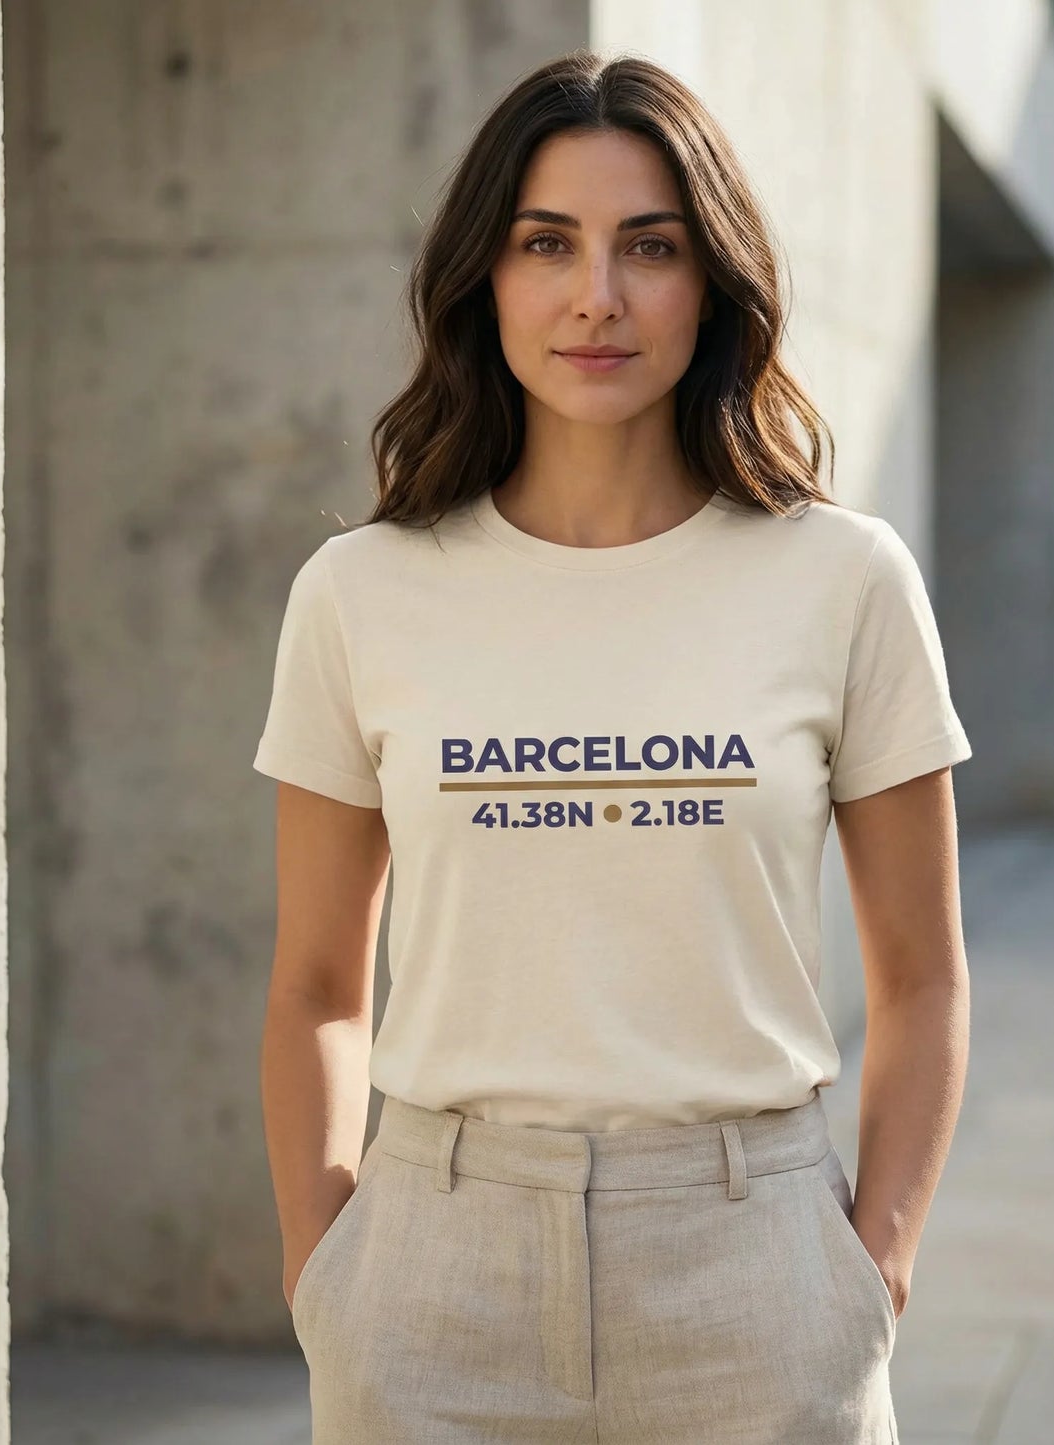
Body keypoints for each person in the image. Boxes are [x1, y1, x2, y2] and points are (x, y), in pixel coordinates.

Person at [253, 47, 971, 1445]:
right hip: (431, 1277)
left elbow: (922, 976)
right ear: (486, 278)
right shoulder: (361, 593)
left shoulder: (841, 578)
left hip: (756, 1272)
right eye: (546, 245)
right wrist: (323, 1265)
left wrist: (870, 1265)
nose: (597, 295)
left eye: (649, 246)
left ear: (711, 280)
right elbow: (317, 987)